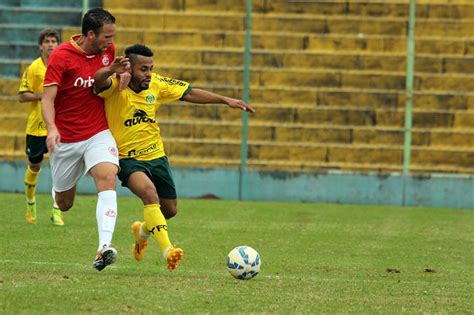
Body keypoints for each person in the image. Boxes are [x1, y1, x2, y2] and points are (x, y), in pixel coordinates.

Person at [93, 44, 255, 271]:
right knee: (150, 194)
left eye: (151, 68)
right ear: (130, 67)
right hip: (128, 158)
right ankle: (169, 250)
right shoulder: (115, 86)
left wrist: (225, 100)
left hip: (157, 155)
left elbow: (189, 92)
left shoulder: (157, 84)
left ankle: (141, 232)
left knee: (169, 210)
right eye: (143, 69)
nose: (148, 74)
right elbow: (97, 82)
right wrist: (112, 70)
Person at [41, 8, 129, 271]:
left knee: (108, 177)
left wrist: (120, 74)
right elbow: (48, 99)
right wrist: (51, 128)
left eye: (113, 37)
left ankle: (104, 248)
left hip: (97, 132)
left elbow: (106, 80)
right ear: (90, 34)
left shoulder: (107, 52)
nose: (111, 43)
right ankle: (61, 188)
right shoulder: (61, 57)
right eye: (107, 37)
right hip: (66, 140)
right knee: (64, 204)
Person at [18, 29, 63, 226]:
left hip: (59, 125)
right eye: (47, 41)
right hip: (36, 127)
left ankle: (57, 211)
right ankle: (30, 205)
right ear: (40, 45)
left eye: (54, 41)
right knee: (35, 165)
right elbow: (22, 95)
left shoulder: (62, 66)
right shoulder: (34, 69)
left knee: (61, 168)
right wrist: (43, 96)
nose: (51, 44)